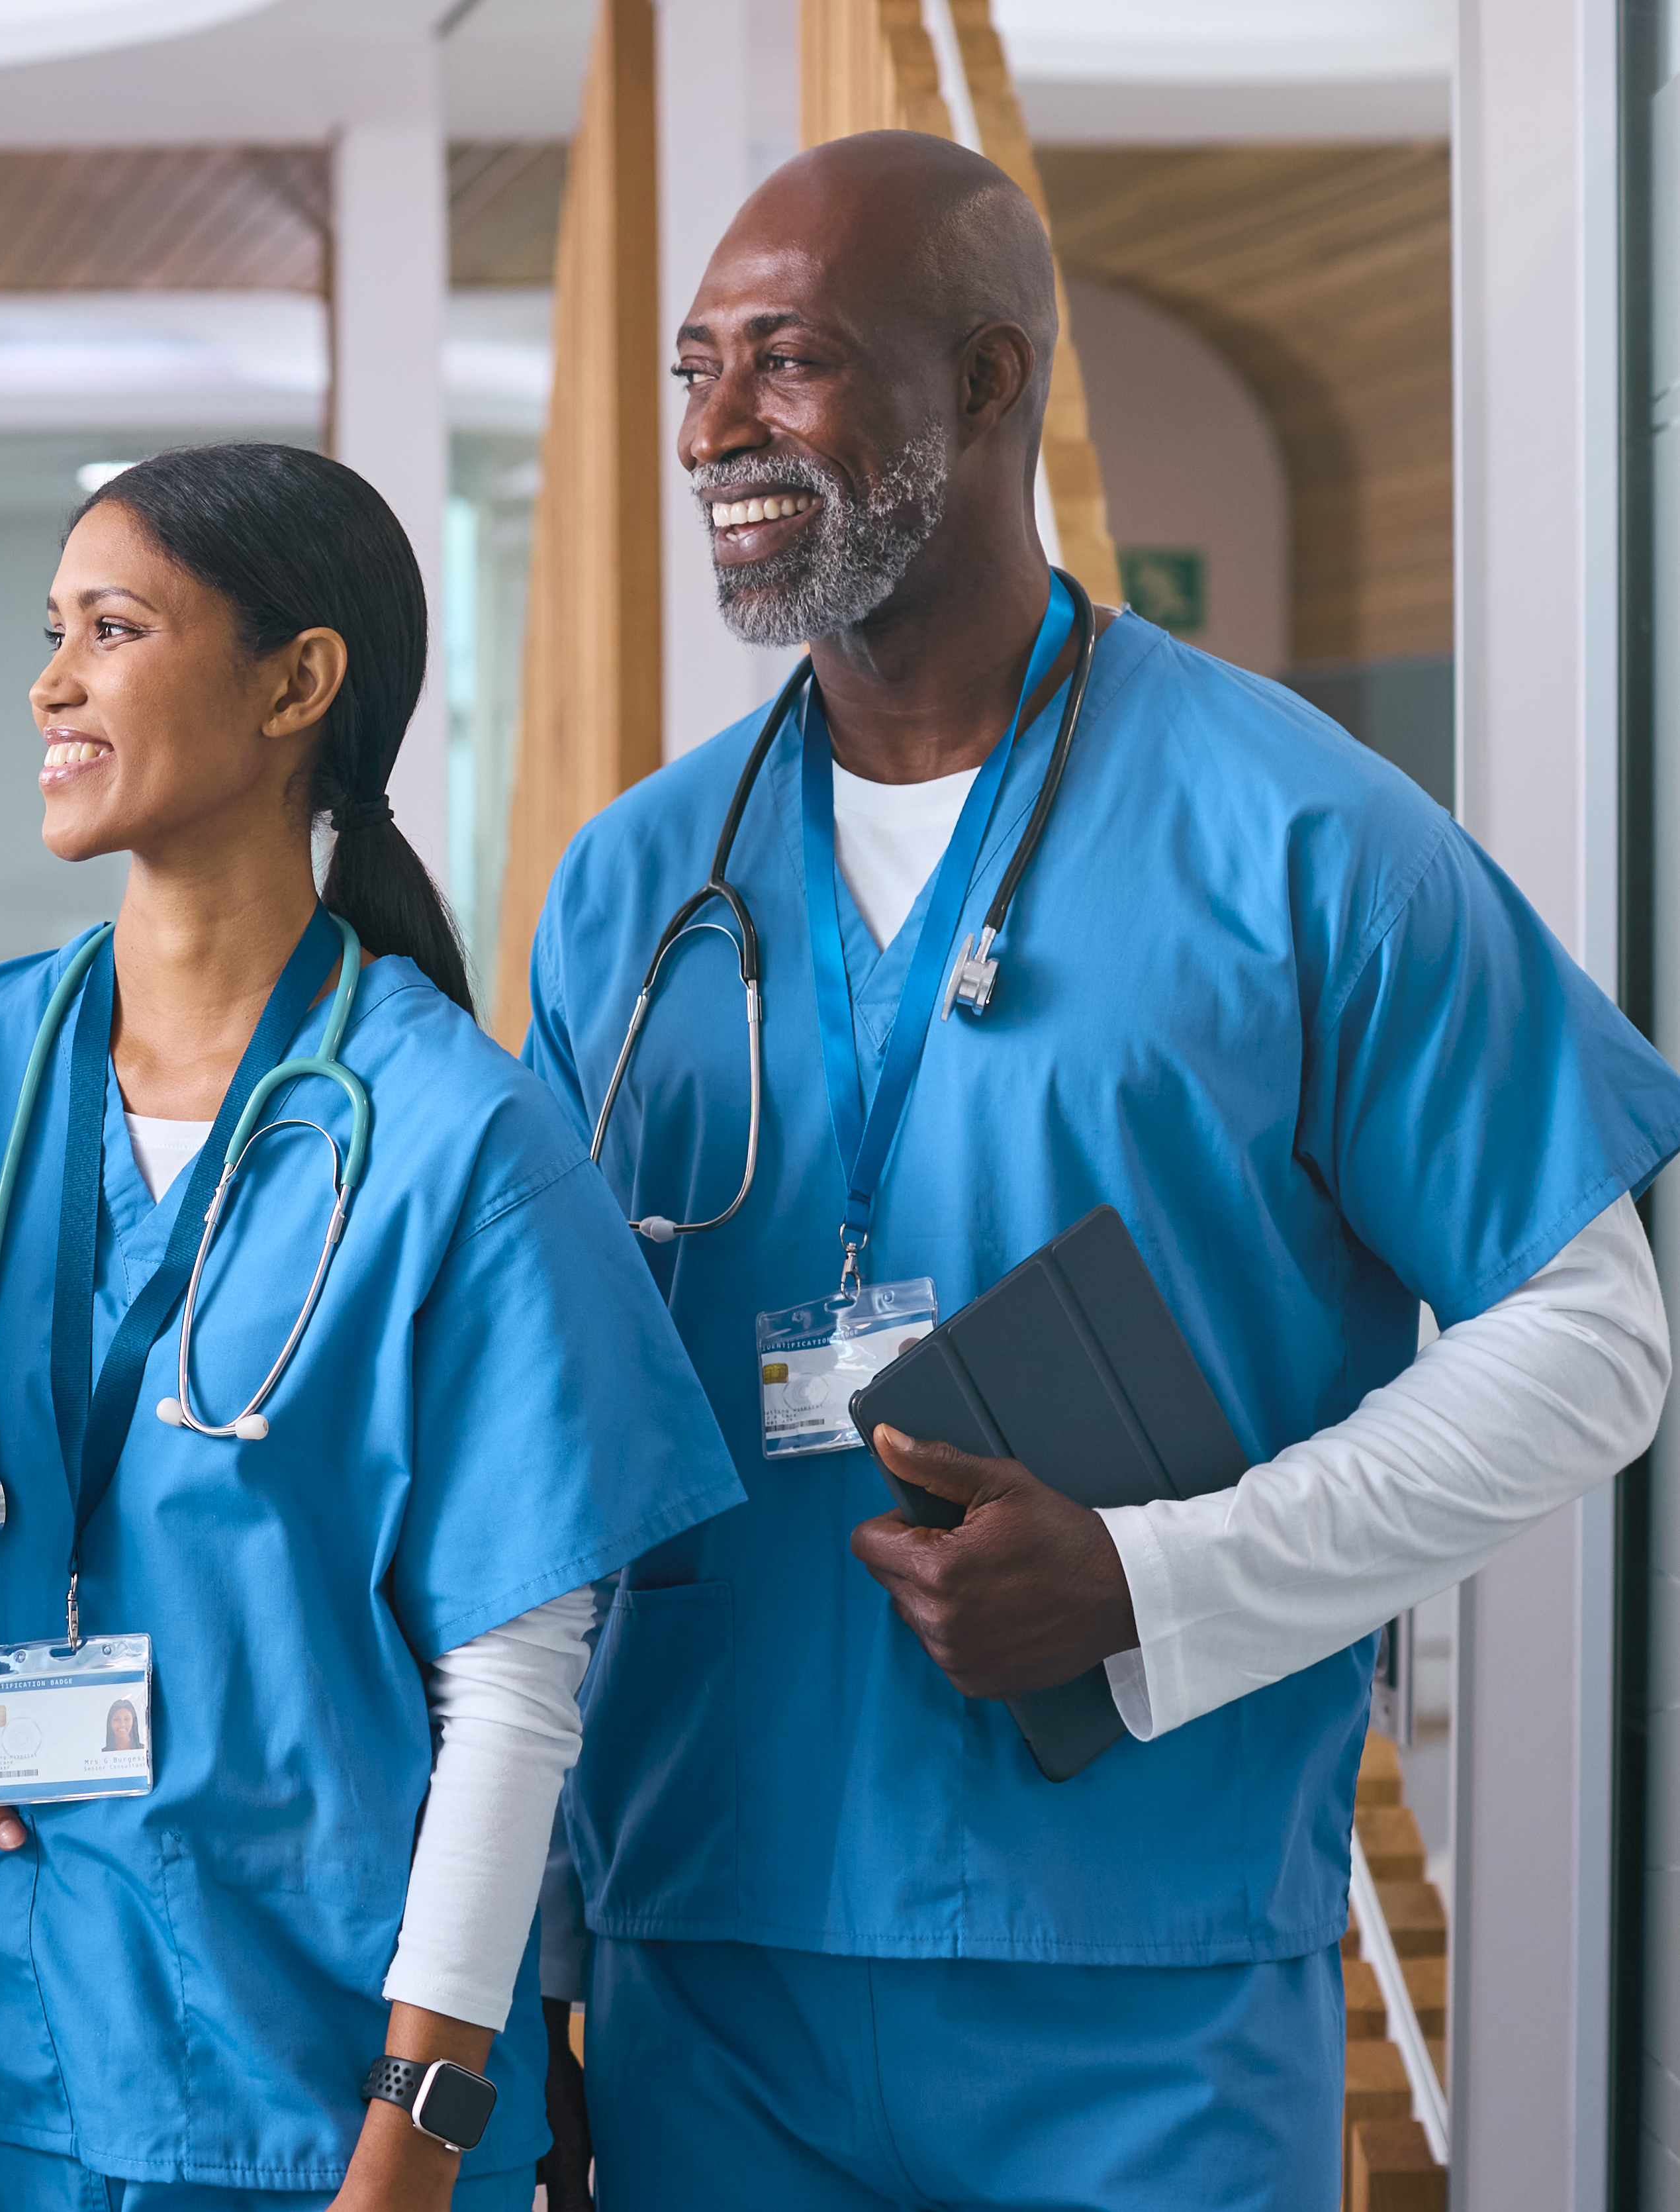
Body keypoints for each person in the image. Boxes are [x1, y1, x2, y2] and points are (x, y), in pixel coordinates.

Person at [523, 132, 1680, 2209]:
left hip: (1141, 1986)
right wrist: (525, 1960)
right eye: (694, 369)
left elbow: (1589, 1342)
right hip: (706, 1958)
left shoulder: (1303, 835)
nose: (710, 430)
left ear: (985, 381)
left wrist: (1158, 1579)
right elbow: (545, 1448)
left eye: (785, 359)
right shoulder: (632, 889)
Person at [0, 442, 741, 2212]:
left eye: (113, 629)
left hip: (313, 2077)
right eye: (53, 631)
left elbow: (515, 1685)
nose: (49, 685)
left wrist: (418, 2124)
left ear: (297, 684)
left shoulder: (457, 1138)